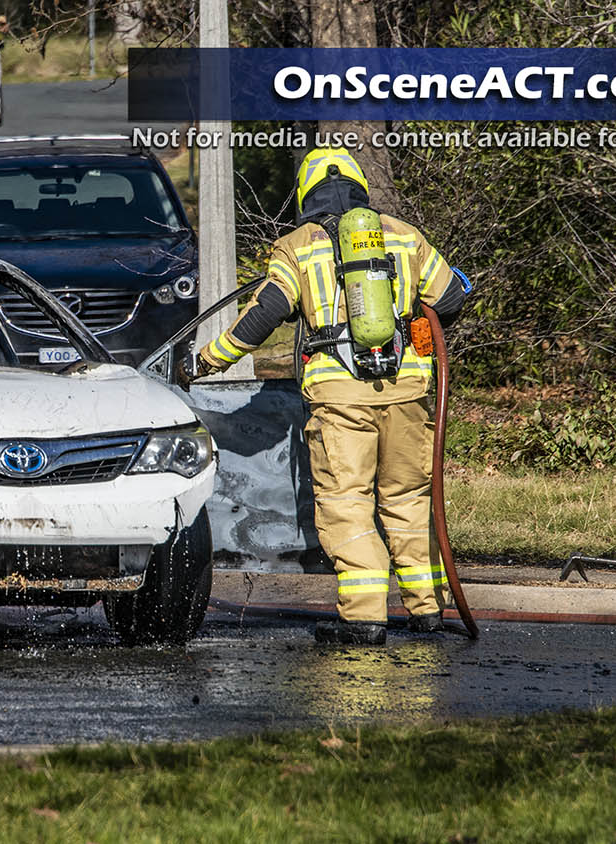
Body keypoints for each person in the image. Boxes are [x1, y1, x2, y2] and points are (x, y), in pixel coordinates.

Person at [185, 147, 469, 646]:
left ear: (306, 195)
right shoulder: (403, 235)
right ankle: (427, 612)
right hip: (407, 392)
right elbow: (452, 298)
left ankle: (363, 618)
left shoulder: (298, 245)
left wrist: (209, 359)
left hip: (340, 398)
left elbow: (265, 313)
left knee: (347, 502)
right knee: (407, 498)